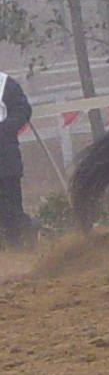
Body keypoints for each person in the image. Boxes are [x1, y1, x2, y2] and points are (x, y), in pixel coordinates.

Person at [0, 71, 32, 248]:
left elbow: (23, 110)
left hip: (4, 159)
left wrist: (4, 131)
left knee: (11, 210)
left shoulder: (5, 83)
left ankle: (20, 246)